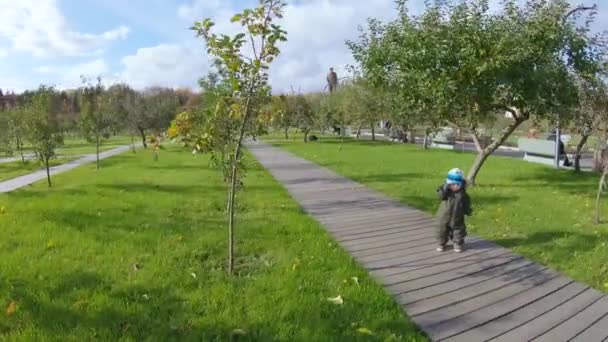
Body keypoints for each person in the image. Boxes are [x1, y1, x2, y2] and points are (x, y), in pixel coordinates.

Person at [436, 168, 473, 253]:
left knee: (458, 231)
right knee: (441, 230)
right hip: (443, 216)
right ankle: (441, 243)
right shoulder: (446, 192)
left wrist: (468, 210)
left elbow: (466, 203)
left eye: (457, 184)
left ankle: (457, 243)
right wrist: (444, 189)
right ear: (448, 184)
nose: (455, 186)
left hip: (457, 216)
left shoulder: (463, 194)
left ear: (461, 184)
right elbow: (440, 196)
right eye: (452, 184)